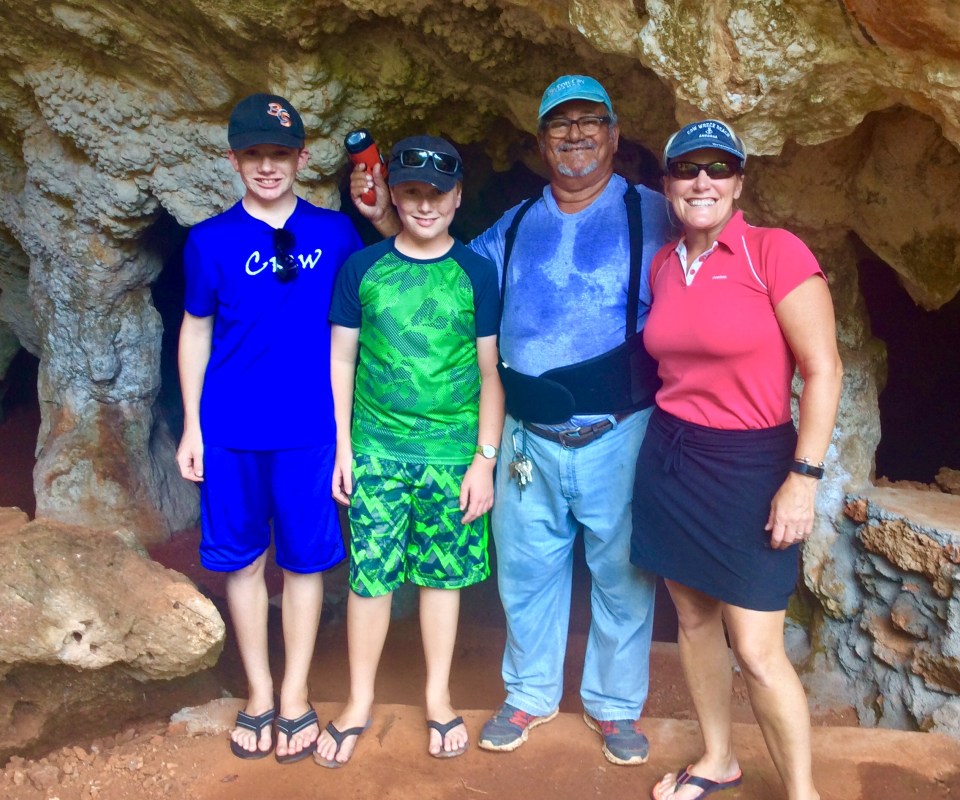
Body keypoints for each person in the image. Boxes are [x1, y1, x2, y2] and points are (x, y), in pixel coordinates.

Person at [349, 75, 672, 765]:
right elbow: (443, 266)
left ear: (616, 135)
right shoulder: (517, 223)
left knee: (622, 575)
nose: (575, 135)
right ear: (539, 143)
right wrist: (383, 218)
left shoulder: (655, 213)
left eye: (591, 122)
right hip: (526, 436)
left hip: (619, 430)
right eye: (560, 124)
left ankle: (615, 709)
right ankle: (529, 694)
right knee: (526, 574)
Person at [630, 120, 843, 800]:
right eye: (687, 169)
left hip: (752, 466)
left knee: (755, 647)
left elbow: (824, 369)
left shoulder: (771, 253)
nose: (701, 181)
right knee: (692, 619)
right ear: (667, 185)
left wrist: (802, 480)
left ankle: (803, 793)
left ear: (738, 183)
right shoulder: (665, 263)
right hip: (672, 458)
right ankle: (718, 758)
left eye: (717, 169)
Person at [176, 93, 362, 763]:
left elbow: (354, 329)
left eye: (278, 154)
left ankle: (295, 693)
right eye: (252, 154)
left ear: (301, 158)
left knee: (305, 562)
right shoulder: (209, 241)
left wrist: (348, 437)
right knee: (245, 562)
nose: (266, 166)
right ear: (234, 160)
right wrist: (192, 425)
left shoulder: (336, 234)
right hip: (230, 429)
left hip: (310, 429)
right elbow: (195, 331)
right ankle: (258, 693)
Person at [315, 135, 504, 766]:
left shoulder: (476, 270)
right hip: (376, 448)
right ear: (394, 196)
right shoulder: (362, 269)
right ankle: (358, 700)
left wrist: (485, 459)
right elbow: (341, 358)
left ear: (457, 198)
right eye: (412, 193)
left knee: (441, 579)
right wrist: (343, 445)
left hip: (452, 454)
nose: (425, 206)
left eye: (438, 194)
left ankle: (439, 697)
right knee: (370, 578)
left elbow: (489, 374)